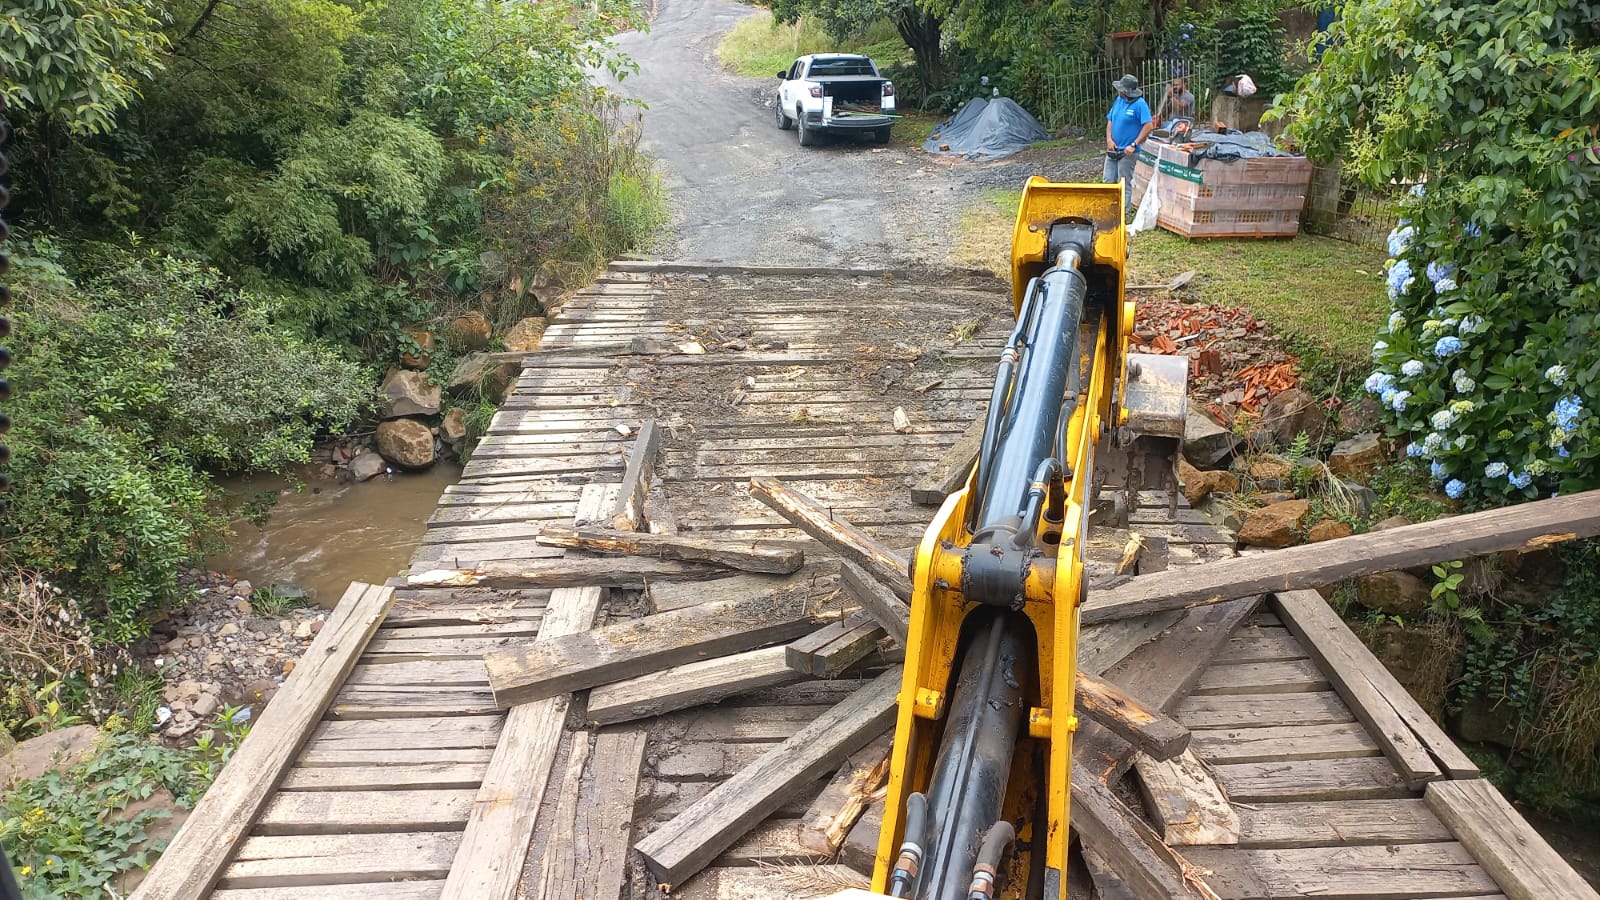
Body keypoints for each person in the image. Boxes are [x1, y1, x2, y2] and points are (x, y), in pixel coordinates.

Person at [1104, 74, 1154, 211]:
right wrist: (1109, 139)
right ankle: (1108, 211)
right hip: (1113, 148)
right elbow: (1110, 120)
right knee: (1107, 181)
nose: (1118, 91)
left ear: (1126, 91)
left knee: (1124, 183)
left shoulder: (1140, 105)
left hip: (1128, 152)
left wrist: (1134, 144)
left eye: (1121, 89)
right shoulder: (1118, 101)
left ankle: (1122, 215)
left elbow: (1148, 125)